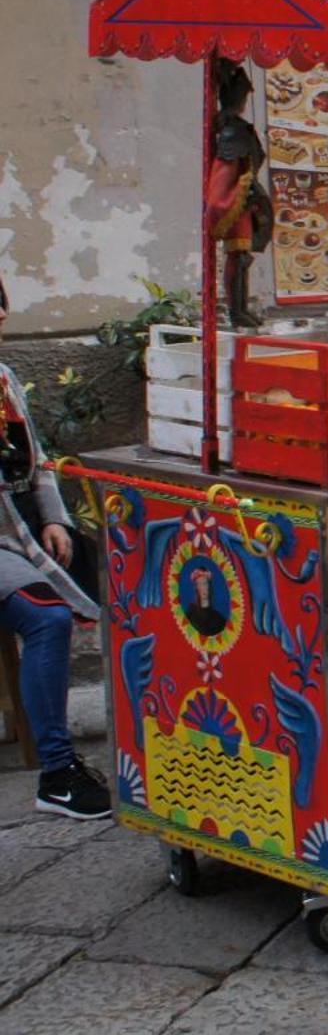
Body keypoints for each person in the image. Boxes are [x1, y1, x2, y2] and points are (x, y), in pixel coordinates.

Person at [0, 277, 108, 819]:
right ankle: (57, 772)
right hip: (4, 547)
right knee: (47, 619)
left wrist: (55, 520)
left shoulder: (3, 379)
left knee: (114, 569)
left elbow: (35, 459)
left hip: (18, 535)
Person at [203, 61, 272, 329]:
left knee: (242, 257)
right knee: (239, 256)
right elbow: (226, 173)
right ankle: (237, 309)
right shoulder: (234, 130)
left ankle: (240, 308)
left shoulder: (234, 127)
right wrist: (231, 201)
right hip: (238, 201)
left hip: (245, 200)